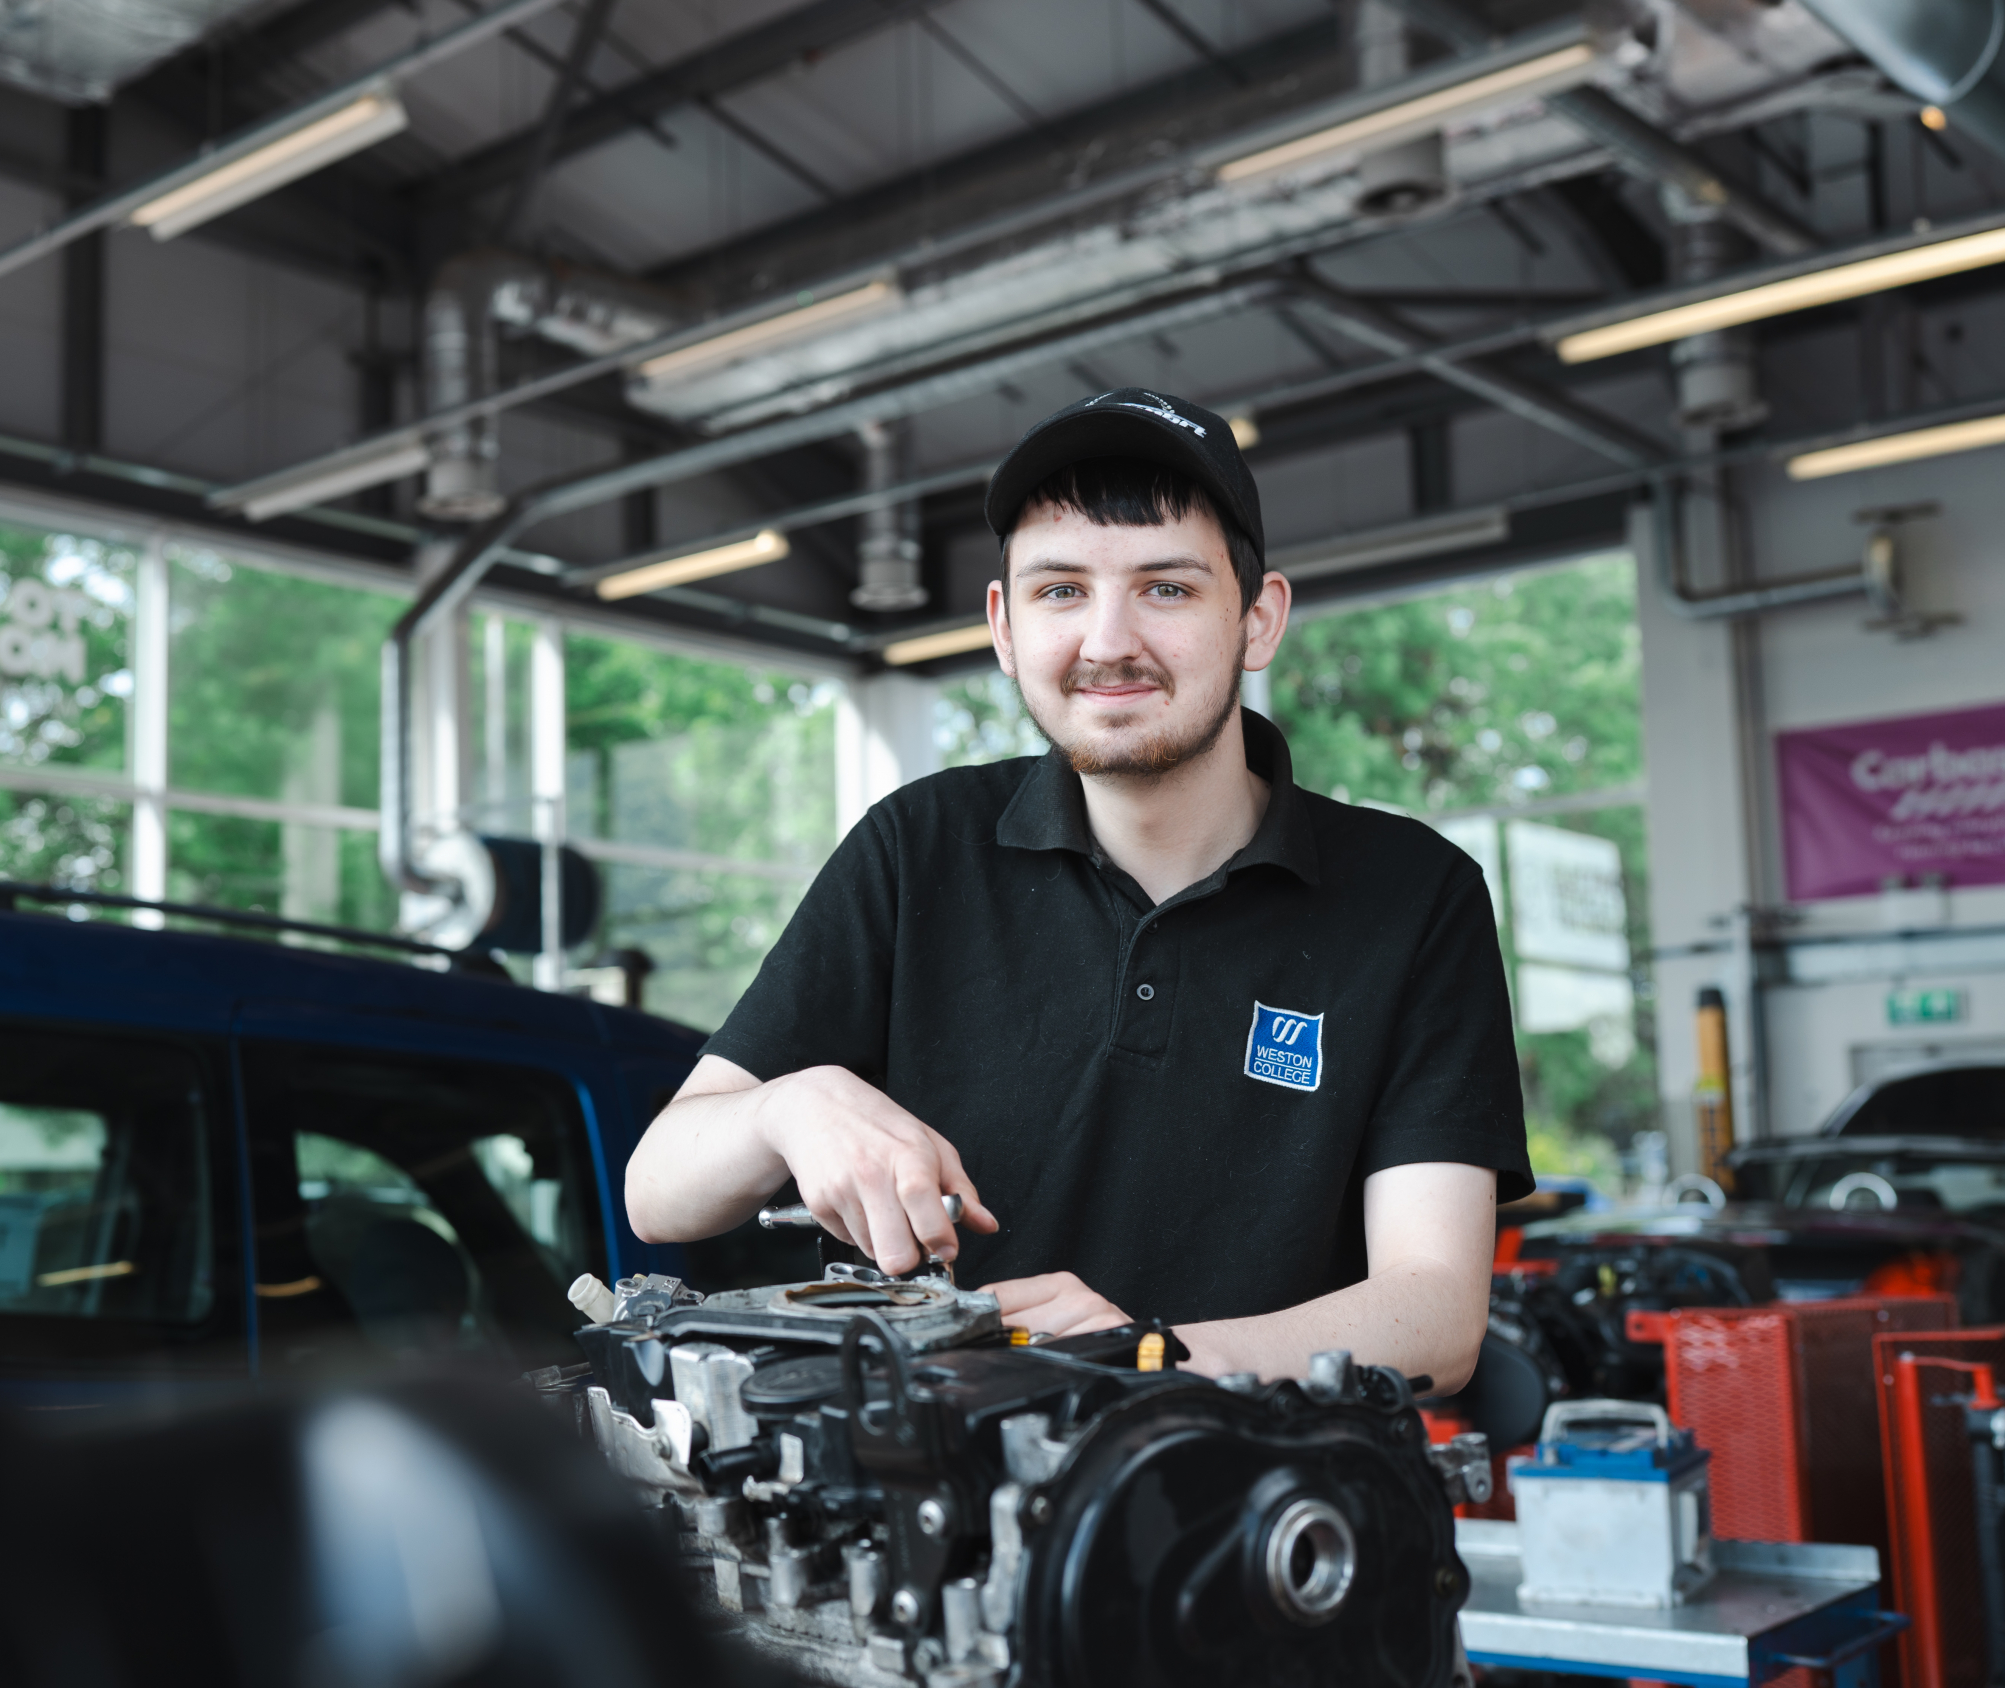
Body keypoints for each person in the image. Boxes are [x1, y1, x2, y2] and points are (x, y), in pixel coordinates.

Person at [622, 388, 1530, 1391]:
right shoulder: (919, 848)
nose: (1106, 642)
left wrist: (1147, 1360)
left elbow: (1437, 1312)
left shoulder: (1410, 896)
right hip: (934, 1522)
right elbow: (658, 1192)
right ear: (1004, 627)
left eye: (1166, 589)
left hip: (1268, 1517)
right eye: (1061, 591)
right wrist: (786, 1109)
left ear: (1258, 618)